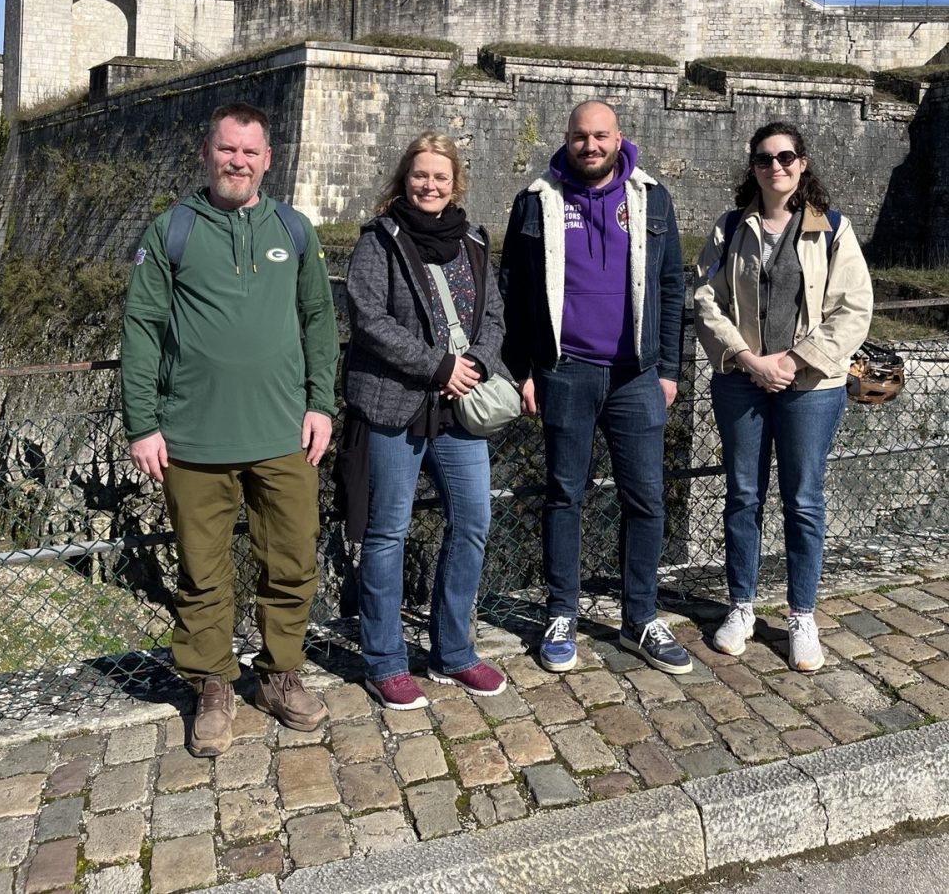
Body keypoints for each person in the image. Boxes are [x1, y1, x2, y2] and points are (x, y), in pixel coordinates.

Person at [121, 102, 340, 756]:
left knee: (294, 560)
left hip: (283, 433)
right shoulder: (172, 231)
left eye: (250, 151)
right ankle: (213, 684)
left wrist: (321, 403)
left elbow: (320, 320)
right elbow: (141, 328)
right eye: (227, 149)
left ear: (267, 159)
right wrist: (143, 423)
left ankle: (279, 673)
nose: (237, 161)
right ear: (206, 153)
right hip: (193, 438)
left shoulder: (295, 230)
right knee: (202, 571)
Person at [499, 100, 690, 675]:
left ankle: (641, 615)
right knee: (564, 495)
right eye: (581, 136)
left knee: (645, 498)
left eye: (600, 136)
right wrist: (524, 368)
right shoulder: (536, 200)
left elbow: (672, 285)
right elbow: (513, 289)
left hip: (636, 375)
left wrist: (670, 370)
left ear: (618, 139)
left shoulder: (653, 199)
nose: (590, 145)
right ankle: (562, 612)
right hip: (565, 370)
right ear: (567, 139)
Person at [693, 121, 872, 672]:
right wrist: (748, 359)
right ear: (753, 168)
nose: (778, 167)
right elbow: (705, 298)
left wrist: (793, 361)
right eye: (766, 159)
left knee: (803, 500)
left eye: (787, 157)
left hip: (810, 387)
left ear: (803, 163)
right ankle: (742, 606)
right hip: (741, 381)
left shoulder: (832, 229)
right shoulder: (730, 229)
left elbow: (854, 307)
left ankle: (801, 615)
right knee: (743, 495)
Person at [342, 132, 510, 710]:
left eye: (441, 177)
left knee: (472, 522)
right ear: (403, 180)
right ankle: (385, 660)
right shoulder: (378, 241)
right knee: (388, 532)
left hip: (458, 406)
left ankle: (452, 650)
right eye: (420, 176)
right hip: (396, 402)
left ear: (455, 182)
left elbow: (493, 313)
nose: (430, 186)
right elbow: (369, 319)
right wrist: (439, 366)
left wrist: (477, 364)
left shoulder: (473, 241)